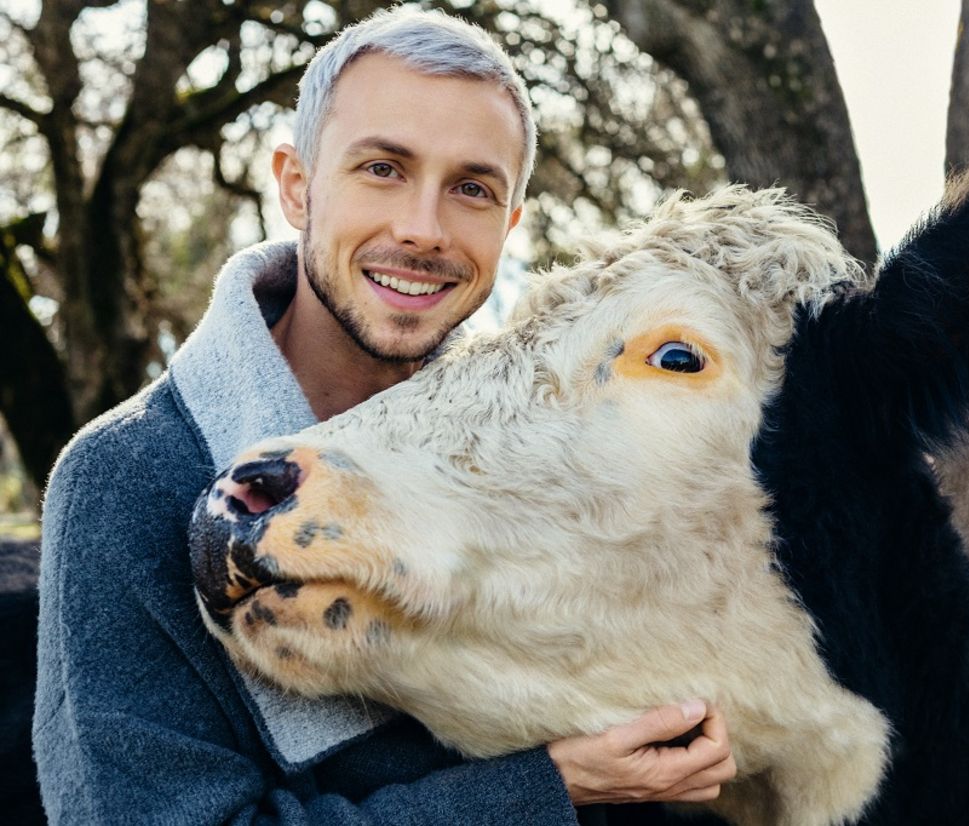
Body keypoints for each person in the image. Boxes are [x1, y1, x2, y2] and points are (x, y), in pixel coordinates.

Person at [34, 7, 735, 823]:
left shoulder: (547, 465)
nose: (422, 230)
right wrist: (549, 790)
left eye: (472, 189)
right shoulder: (127, 478)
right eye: (382, 169)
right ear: (297, 185)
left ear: (509, 225)